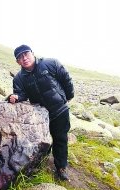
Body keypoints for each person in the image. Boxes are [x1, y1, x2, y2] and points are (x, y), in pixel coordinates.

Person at [8, 45, 74, 181]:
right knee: (41, 141)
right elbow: (21, 94)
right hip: (40, 116)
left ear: (32, 53)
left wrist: (68, 96)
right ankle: (41, 161)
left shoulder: (50, 63)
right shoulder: (19, 78)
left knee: (60, 138)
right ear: (18, 62)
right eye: (20, 57)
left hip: (60, 110)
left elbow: (66, 79)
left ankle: (61, 167)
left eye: (26, 54)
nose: (24, 58)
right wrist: (16, 97)